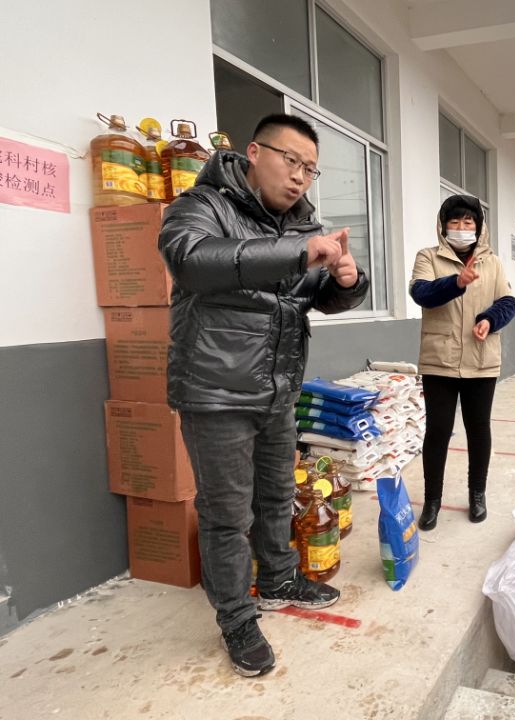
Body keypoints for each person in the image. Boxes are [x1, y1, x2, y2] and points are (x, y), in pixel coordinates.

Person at [158, 113, 370, 677]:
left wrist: (348, 282)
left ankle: (278, 578)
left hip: (277, 387)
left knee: (276, 495)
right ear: (254, 153)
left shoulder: (303, 225)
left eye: (311, 169)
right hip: (215, 391)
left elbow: (317, 295)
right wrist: (299, 254)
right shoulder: (201, 205)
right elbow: (192, 261)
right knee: (227, 514)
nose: (300, 176)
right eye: (291, 160)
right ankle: (236, 617)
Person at [409, 194, 515, 532]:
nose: (461, 227)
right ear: (443, 226)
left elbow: (508, 302)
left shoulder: (492, 262)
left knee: (478, 429)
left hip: (481, 360)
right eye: (454, 221)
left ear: (478, 226)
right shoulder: (428, 257)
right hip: (439, 360)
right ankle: (432, 500)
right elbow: (421, 294)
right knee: (438, 431)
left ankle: (477, 493)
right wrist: (455, 283)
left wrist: (489, 319)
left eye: (468, 221)